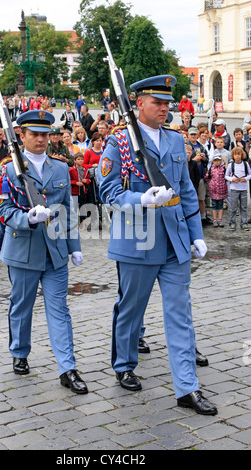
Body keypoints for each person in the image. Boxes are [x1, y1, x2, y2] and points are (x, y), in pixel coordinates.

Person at [98, 74, 217, 415]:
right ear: (139, 104)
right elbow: (108, 193)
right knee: (131, 308)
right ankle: (123, 364)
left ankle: (186, 387)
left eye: (168, 103)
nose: (166, 108)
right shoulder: (118, 143)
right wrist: (142, 199)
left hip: (174, 240)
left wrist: (196, 233)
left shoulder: (176, 142)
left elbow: (187, 192)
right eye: (158, 102)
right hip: (138, 240)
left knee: (180, 314)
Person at [0, 110, 88, 394]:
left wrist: (74, 247)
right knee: (21, 306)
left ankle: (67, 367)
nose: (40, 139)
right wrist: (28, 219)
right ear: (21, 136)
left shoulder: (60, 168)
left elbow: (67, 211)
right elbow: (3, 210)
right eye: (34, 134)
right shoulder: (8, 169)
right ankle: (20, 352)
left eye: (45, 134)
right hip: (23, 250)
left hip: (55, 251)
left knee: (59, 309)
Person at [188, 128, 211, 225]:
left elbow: (207, 161)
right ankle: (192, 218)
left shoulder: (201, 147)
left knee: (201, 198)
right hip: (190, 176)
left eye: (194, 134)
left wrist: (204, 159)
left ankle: (203, 217)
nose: (193, 136)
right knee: (191, 199)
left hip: (200, 176)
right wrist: (194, 159)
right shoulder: (186, 146)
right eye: (191, 134)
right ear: (189, 135)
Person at [225, 147, 251, 231]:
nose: (237, 156)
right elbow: (226, 176)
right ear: (233, 155)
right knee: (233, 207)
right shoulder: (230, 165)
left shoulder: (245, 164)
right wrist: (232, 179)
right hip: (234, 189)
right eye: (235, 154)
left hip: (243, 189)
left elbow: (250, 175)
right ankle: (232, 223)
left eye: (239, 154)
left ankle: (244, 223)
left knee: (243, 207)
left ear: (242, 155)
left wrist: (246, 179)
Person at [204, 152, 228, 227]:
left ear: (221, 161)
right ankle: (215, 219)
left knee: (220, 205)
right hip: (213, 190)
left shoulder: (224, 168)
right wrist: (212, 183)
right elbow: (207, 177)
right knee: (214, 205)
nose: (217, 162)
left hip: (221, 190)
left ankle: (220, 220)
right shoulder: (211, 168)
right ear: (213, 161)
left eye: (218, 160)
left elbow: (226, 177)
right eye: (215, 160)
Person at [69, 152, 90, 226]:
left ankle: (81, 222)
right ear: (74, 160)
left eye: (81, 159)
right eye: (78, 159)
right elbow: (69, 180)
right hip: (75, 191)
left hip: (83, 190)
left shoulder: (86, 169)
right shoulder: (72, 170)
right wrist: (76, 183)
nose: (80, 161)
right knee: (74, 207)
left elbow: (89, 180)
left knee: (82, 206)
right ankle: (73, 222)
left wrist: (86, 181)